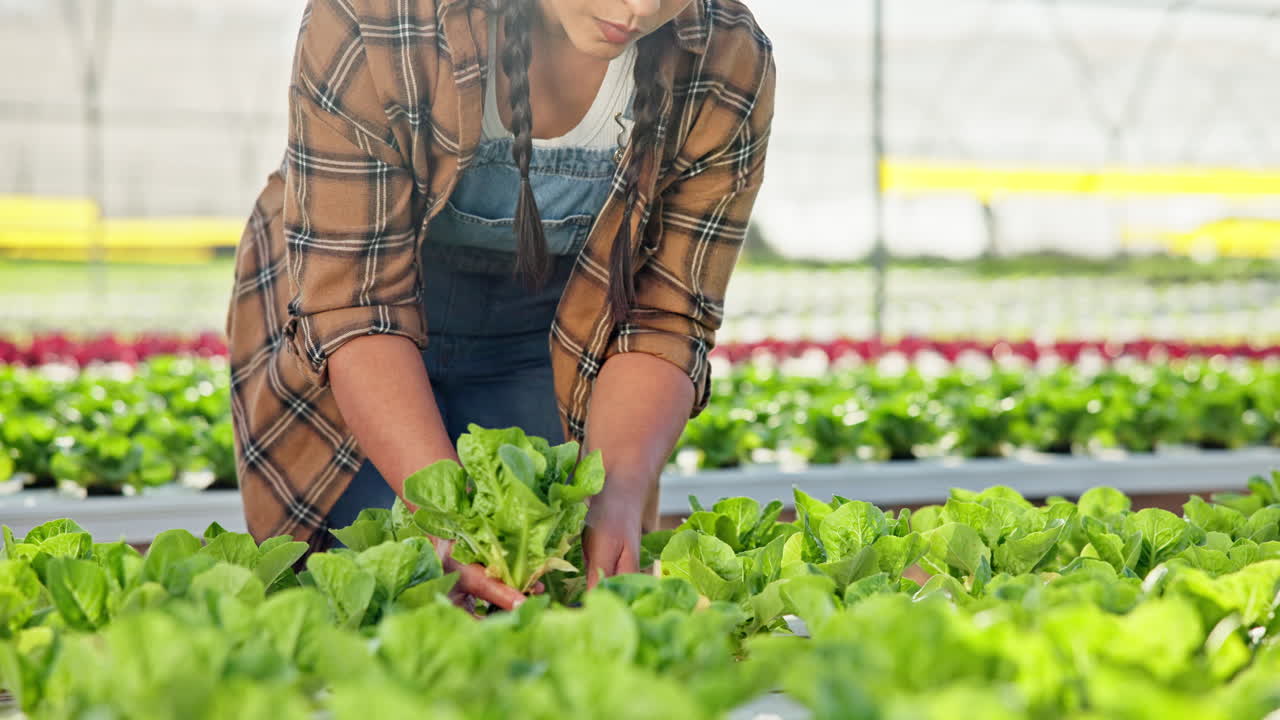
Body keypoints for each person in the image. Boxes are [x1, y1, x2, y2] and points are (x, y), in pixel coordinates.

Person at [226, 0, 775, 611]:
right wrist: (450, 517)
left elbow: (665, 315)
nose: (640, 8)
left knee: (546, 580)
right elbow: (355, 305)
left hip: (548, 334)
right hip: (349, 339)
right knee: (369, 592)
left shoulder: (724, 56)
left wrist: (614, 494)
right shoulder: (378, 15)